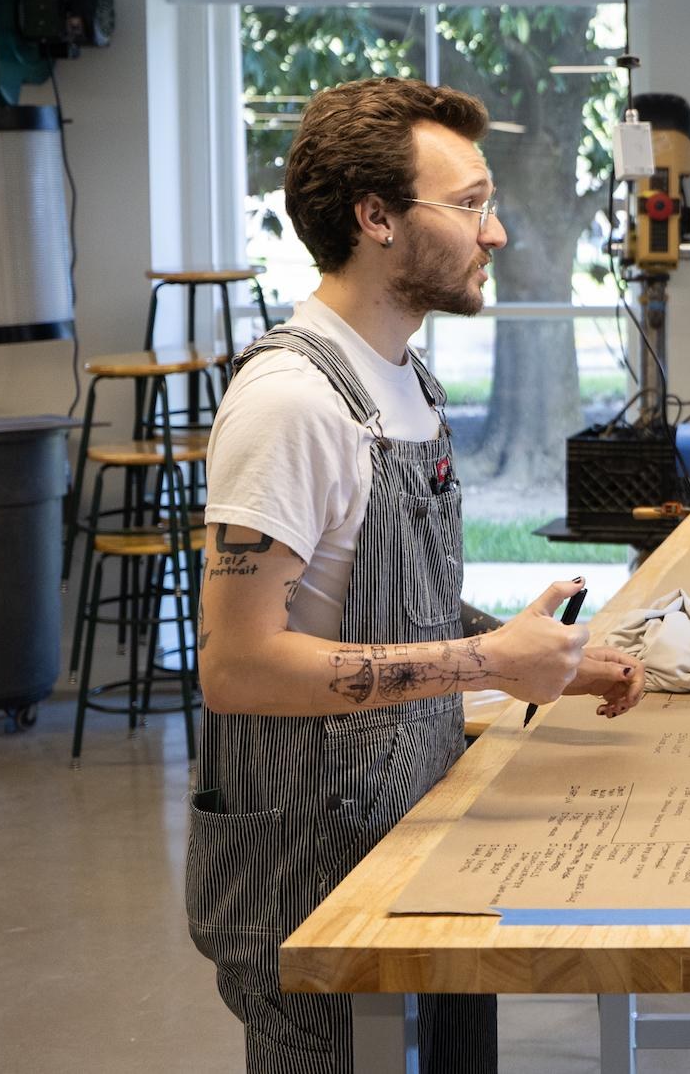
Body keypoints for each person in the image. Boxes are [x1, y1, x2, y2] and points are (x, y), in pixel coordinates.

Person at [186, 76, 645, 1071]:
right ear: (375, 218)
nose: (496, 233)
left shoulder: (406, 379)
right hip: (311, 871)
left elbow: (395, 602)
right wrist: (486, 658)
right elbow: (238, 666)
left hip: (407, 832)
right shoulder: (291, 404)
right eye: (471, 204)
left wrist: (558, 654)